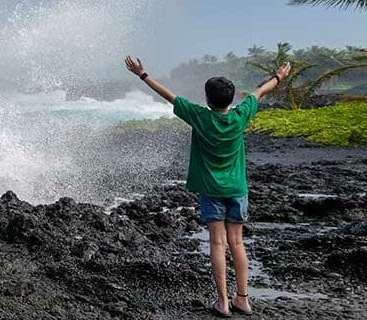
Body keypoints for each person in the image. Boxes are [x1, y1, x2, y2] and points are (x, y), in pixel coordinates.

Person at [124, 55, 290, 317]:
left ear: (207, 99)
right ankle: (243, 299)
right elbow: (261, 91)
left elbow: (170, 96)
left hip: (211, 191)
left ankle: (223, 302)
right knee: (237, 243)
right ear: (231, 99)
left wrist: (143, 74)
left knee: (217, 243)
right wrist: (280, 76)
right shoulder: (240, 116)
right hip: (237, 189)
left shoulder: (200, 117)